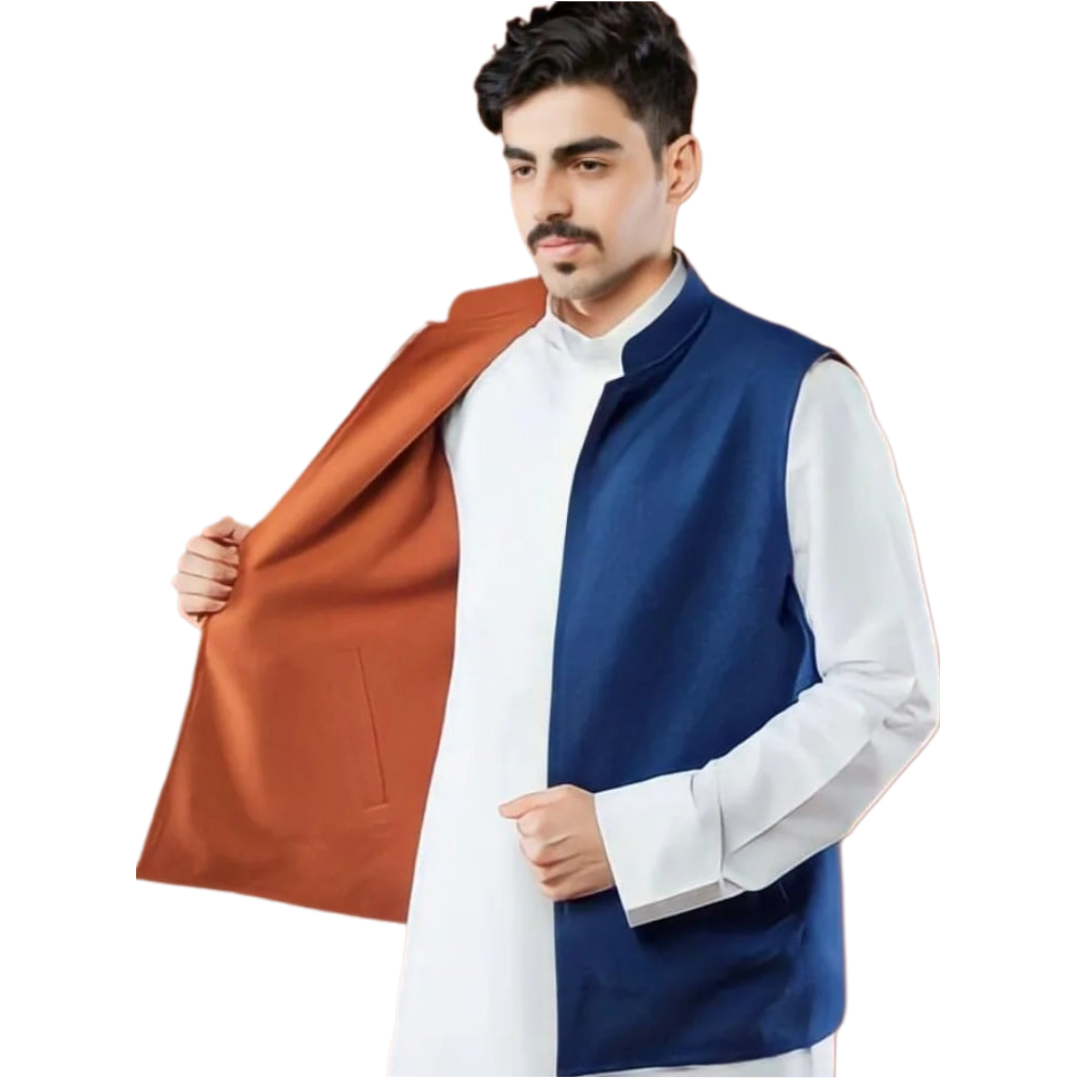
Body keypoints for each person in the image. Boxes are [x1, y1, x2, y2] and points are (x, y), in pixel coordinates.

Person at [157, 3, 939, 1076]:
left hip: (707, 999)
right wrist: (243, 579)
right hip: (467, 969)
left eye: (588, 163)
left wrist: (644, 835)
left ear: (680, 167)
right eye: (523, 168)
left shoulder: (797, 394)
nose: (547, 205)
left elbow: (889, 689)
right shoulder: (466, 365)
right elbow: (391, 587)